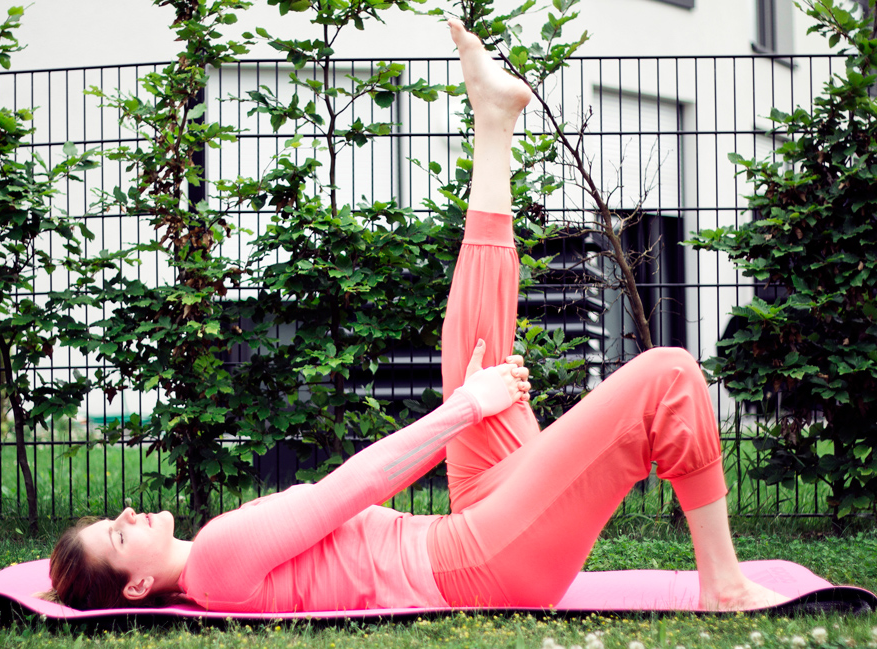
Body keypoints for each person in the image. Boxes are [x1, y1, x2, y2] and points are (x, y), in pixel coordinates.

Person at [47, 20, 790, 614]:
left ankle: (493, 121)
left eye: (116, 517)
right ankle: (722, 583)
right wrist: (468, 408)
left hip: (465, 534)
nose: (129, 513)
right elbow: (353, 485)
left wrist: (475, 402)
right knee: (668, 375)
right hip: (480, 563)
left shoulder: (213, 566)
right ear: (136, 585)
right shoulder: (213, 559)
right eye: (118, 534)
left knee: (476, 349)